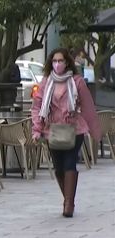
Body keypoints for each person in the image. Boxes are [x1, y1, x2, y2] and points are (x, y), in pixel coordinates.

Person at [31, 47, 101, 218]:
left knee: (70, 163)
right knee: (59, 167)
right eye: (54, 61)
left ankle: (68, 203)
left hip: (74, 128)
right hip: (53, 130)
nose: (57, 64)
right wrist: (37, 129)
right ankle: (68, 198)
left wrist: (94, 131)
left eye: (60, 61)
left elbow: (88, 106)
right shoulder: (46, 82)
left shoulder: (77, 81)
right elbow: (37, 107)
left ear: (67, 62)